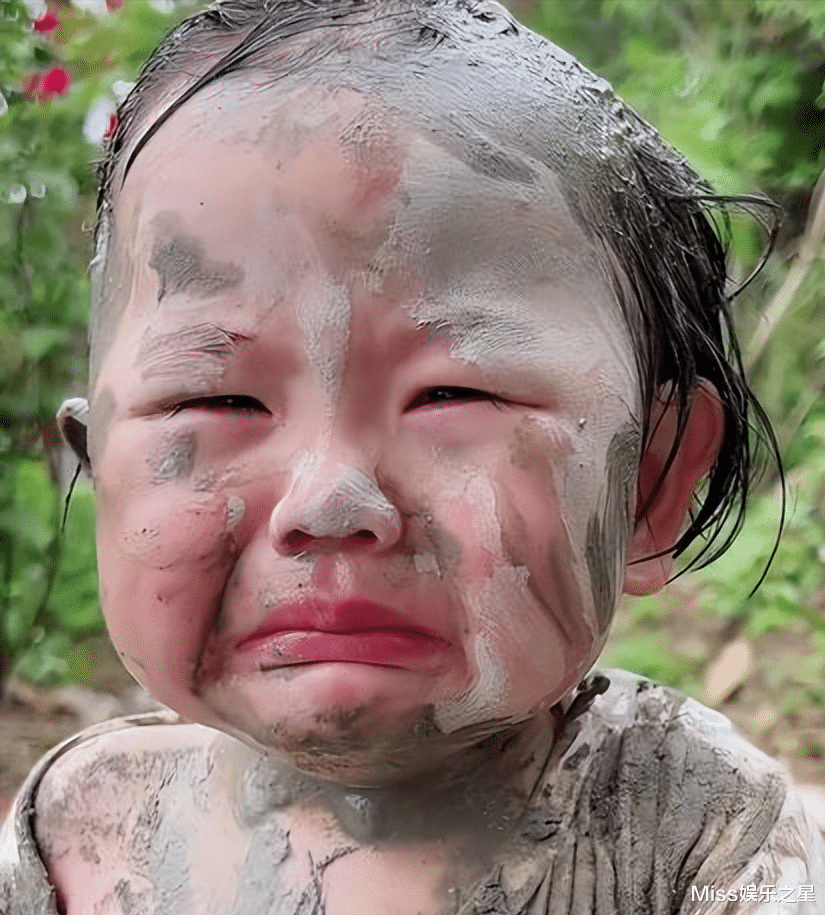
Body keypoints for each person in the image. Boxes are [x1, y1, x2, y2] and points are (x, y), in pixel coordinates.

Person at [2, 1, 823, 912]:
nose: (329, 499)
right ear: (98, 463)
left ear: (651, 480)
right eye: (218, 398)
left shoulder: (696, 837)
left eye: (453, 394)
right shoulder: (80, 832)